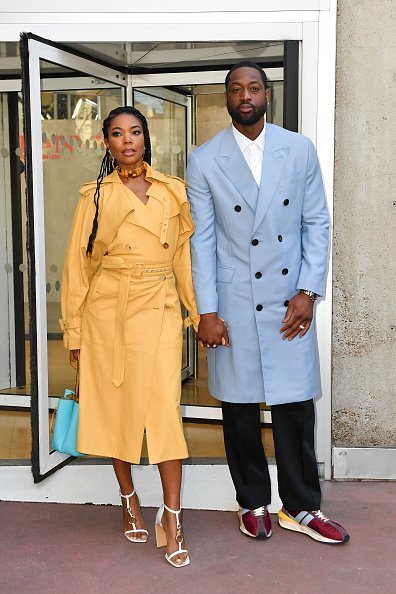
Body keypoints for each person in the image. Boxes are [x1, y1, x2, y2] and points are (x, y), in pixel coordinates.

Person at [186, 61, 349, 545]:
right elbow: (203, 242)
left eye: (253, 87)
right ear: (226, 98)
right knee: (238, 412)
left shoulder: (297, 149)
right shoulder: (204, 159)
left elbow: (315, 223)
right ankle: (252, 502)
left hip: (287, 302)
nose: (245, 95)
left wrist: (308, 290)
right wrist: (207, 312)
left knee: (295, 410)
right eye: (236, 88)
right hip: (234, 303)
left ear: (267, 95)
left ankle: (302, 506)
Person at [60, 106, 199, 567]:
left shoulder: (170, 191)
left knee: (163, 412)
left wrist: (198, 316)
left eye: (135, 132)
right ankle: (127, 498)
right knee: (118, 409)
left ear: (146, 138)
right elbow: (78, 268)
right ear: (106, 143)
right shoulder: (94, 196)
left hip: (158, 309)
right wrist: (74, 330)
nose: (127, 140)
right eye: (117, 134)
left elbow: (184, 262)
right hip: (109, 312)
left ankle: (173, 517)